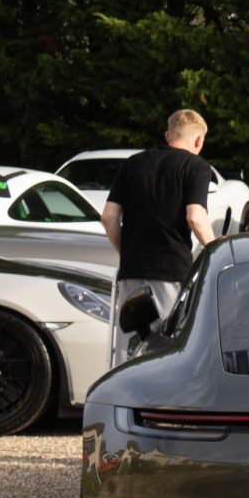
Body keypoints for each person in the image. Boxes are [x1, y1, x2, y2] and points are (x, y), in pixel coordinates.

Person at [101, 109, 216, 362]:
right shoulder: (196, 167)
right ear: (198, 141)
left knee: (130, 344)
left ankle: (124, 397)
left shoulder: (133, 163)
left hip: (131, 269)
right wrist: (217, 251)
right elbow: (195, 217)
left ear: (167, 135)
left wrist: (126, 252)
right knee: (168, 345)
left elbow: (108, 216)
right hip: (171, 269)